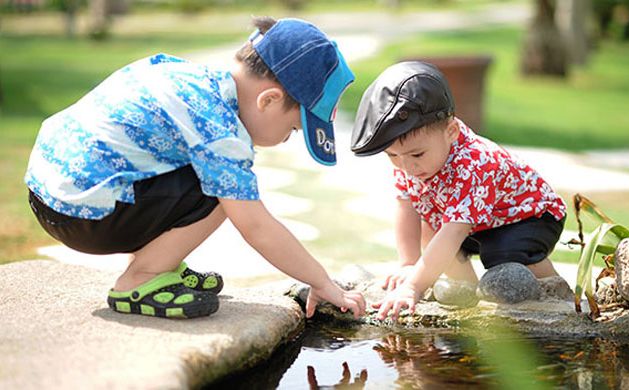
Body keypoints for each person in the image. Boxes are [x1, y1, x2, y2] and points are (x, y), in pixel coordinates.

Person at [25, 17, 366, 320]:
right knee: (226, 192)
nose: (285, 140)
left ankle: (161, 264)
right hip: (82, 216)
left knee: (214, 176)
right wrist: (321, 281)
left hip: (50, 194)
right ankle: (140, 279)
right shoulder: (219, 129)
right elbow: (256, 227)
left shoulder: (189, 77)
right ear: (269, 100)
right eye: (293, 130)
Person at [350, 61, 567, 321]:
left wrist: (412, 287)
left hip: (529, 217)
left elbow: (455, 231)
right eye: (393, 156)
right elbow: (406, 207)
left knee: (501, 255)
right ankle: (467, 294)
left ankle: (555, 292)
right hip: (477, 222)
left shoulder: (475, 163)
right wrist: (409, 263)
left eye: (416, 154)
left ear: (451, 131)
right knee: (431, 228)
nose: (407, 166)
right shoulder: (411, 161)